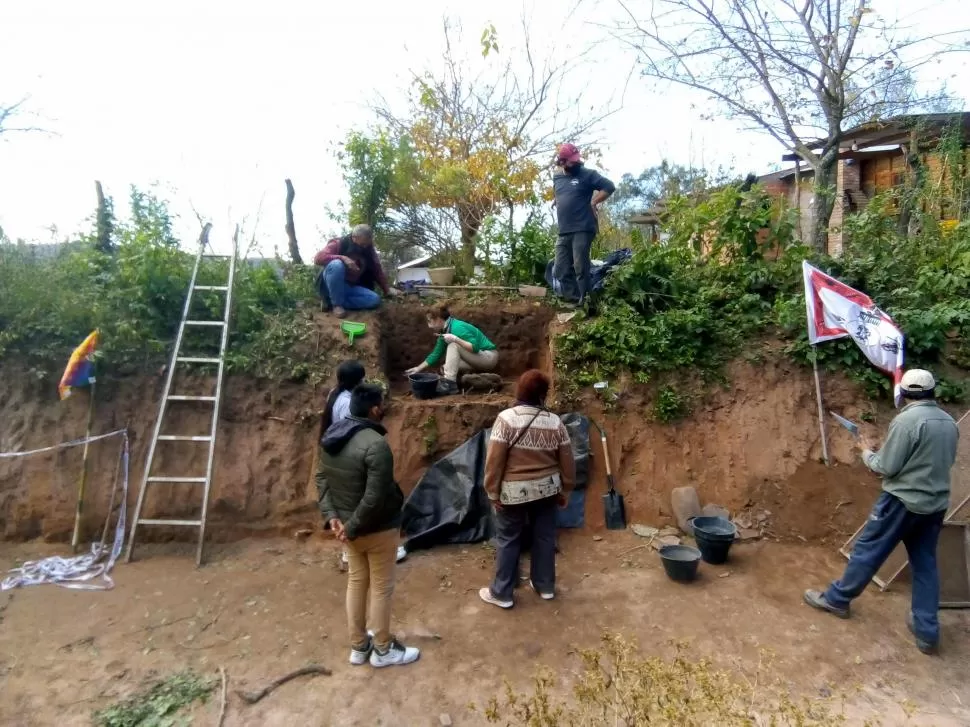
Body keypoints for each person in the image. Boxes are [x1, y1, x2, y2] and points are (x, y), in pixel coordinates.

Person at [804, 369, 959, 655]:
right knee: (924, 564)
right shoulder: (949, 422)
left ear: (905, 392)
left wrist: (866, 451)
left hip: (901, 502)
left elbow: (885, 467)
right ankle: (927, 632)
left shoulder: (907, 421)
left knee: (868, 550)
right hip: (934, 505)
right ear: (932, 391)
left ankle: (837, 600)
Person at [316, 383, 420, 668]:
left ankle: (359, 646)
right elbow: (375, 497)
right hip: (377, 530)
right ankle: (384, 650)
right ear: (375, 409)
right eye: (382, 403)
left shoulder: (331, 436)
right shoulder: (376, 445)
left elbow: (322, 479)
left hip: (348, 527)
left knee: (357, 582)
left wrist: (333, 518)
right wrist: (350, 527)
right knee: (381, 588)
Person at [478, 370, 576, 609]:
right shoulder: (555, 422)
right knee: (544, 536)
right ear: (543, 395)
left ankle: (502, 593)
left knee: (509, 538)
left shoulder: (506, 419)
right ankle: (545, 587)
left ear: (519, 391)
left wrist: (492, 491)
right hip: (548, 491)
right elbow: (568, 462)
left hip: (512, 492)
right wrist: (566, 490)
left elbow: (494, 461)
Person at [551, 143, 615, 307]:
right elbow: (560, 192)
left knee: (580, 267)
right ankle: (574, 298)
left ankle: (587, 302)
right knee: (559, 269)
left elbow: (609, 186)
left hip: (583, 227)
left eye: (577, 159)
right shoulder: (557, 177)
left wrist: (594, 201)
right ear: (562, 162)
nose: (577, 163)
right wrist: (557, 200)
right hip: (564, 230)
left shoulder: (588, 174)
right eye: (572, 161)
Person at [405, 305, 498, 396]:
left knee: (453, 345)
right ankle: (471, 382)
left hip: (488, 357)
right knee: (445, 368)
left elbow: (475, 348)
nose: (429, 326)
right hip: (477, 359)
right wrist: (418, 368)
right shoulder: (445, 330)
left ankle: (449, 385)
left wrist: (455, 339)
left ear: (438, 319)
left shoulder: (457, 328)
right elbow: (436, 354)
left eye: (430, 321)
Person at [313, 224, 399, 318]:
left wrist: (387, 289)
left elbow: (376, 268)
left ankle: (330, 301)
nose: (365, 247)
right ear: (354, 237)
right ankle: (337, 304)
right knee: (337, 264)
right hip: (331, 286)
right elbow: (318, 258)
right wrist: (343, 258)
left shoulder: (368, 249)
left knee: (374, 299)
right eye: (362, 244)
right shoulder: (339, 243)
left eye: (367, 244)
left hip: (349, 287)